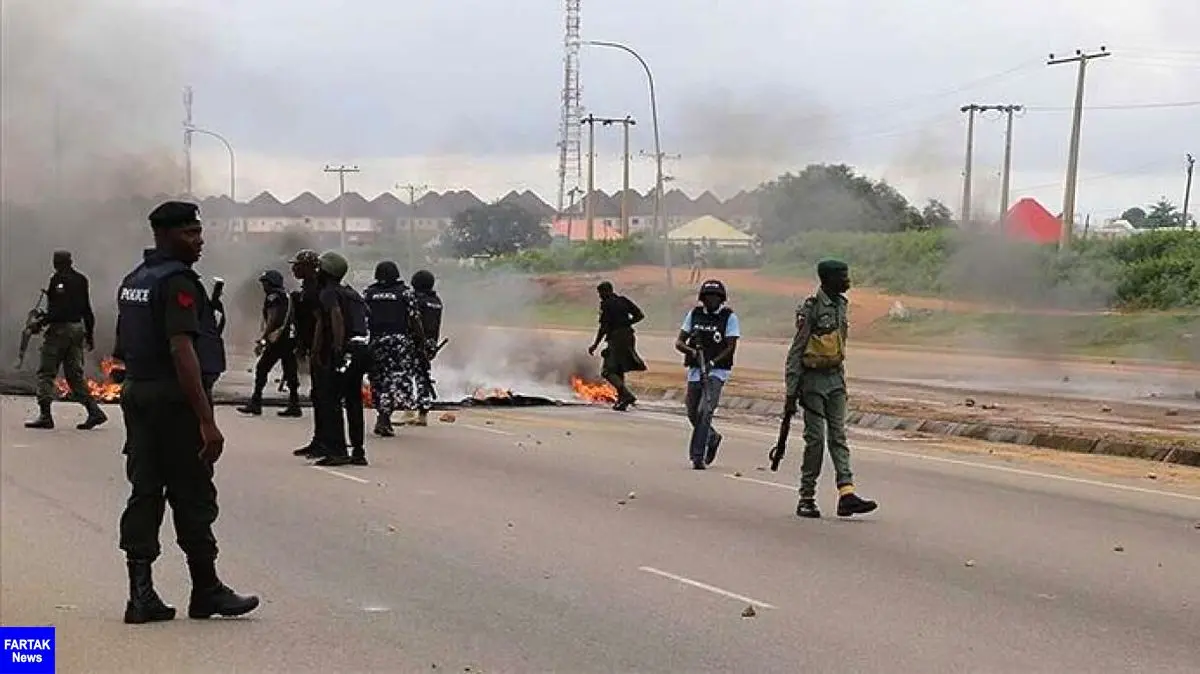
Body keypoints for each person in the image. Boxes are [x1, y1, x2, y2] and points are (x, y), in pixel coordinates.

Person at [114, 200, 258, 624]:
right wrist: (206, 419)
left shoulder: (134, 280)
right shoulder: (177, 282)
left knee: (144, 490)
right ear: (165, 234)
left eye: (199, 232)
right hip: (173, 400)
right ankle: (206, 589)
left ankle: (140, 596)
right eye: (190, 233)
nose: (199, 241)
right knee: (192, 491)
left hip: (139, 393)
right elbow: (182, 349)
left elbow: (124, 344)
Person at [784, 259, 878, 519]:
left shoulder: (841, 306)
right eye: (842, 276)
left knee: (838, 437)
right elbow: (796, 351)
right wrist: (792, 392)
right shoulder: (811, 309)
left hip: (835, 380)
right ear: (827, 280)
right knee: (815, 441)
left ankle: (846, 493)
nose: (847, 281)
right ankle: (806, 497)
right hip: (812, 383)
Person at [24, 250, 108, 430]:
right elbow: (86, 309)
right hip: (77, 329)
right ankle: (94, 412)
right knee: (74, 375)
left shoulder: (58, 280)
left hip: (59, 331)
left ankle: (45, 415)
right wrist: (90, 334)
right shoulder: (81, 279)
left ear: (57, 263)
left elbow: (59, 311)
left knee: (46, 373)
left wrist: (39, 323)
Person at [310, 251, 370, 467]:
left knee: (331, 400)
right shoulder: (353, 293)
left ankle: (338, 451)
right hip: (362, 349)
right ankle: (358, 451)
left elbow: (336, 318)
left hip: (346, 349)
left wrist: (335, 349)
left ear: (325, 272)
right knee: (353, 401)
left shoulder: (328, 293)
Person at [674, 279, 738, 470]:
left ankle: (697, 456)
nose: (712, 301)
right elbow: (679, 342)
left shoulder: (729, 317)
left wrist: (712, 363)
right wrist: (692, 352)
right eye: (708, 297)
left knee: (705, 411)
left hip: (717, 371)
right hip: (695, 370)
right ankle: (712, 437)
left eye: (715, 297)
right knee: (692, 411)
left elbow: (731, 346)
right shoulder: (694, 314)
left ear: (721, 299)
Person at [363, 261, 419, 437]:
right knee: (396, 380)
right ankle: (385, 416)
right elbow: (415, 319)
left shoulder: (369, 293)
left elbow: (362, 318)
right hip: (399, 342)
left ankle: (382, 414)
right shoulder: (405, 293)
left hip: (376, 341)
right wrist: (421, 343)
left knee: (378, 380)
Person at [237, 269, 301, 417]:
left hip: (279, 340)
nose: (263, 286)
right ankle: (294, 404)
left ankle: (256, 402)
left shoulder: (273, 296)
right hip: (290, 338)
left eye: (265, 283)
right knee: (290, 371)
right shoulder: (286, 295)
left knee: (262, 368)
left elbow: (273, 318)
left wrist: (263, 338)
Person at [587, 281, 646, 411]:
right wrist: (626, 323)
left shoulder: (606, 304)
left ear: (605, 291)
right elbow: (640, 315)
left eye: (600, 293)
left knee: (607, 371)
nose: (600, 296)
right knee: (619, 369)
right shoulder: (623, 300)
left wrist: (595, 345)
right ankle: (621, 400)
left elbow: (603, 327)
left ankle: (626, 395)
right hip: (629, 336)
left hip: (616, 339)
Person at [289, 249, 325, 457]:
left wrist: (315, 350)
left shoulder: (315, 291)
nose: (294, 269)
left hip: (319, 349)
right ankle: (319, 440)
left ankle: (325, 442)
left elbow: (319, 321)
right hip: (311, 347)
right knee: (318, 396)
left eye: (299, 265)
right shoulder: (305, 290)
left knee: (323, 396)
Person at [409, 269, 444, 426]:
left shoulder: (416, 300)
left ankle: (408, 411)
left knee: (407, 375)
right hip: (431, 342)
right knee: (423, 376)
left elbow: (412, 320)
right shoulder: (436, 301)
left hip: (415, 341)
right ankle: (423, 413)